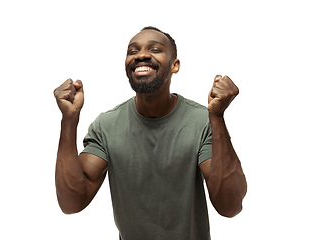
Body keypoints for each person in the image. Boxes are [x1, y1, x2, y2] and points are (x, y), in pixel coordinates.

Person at [53, 26, 247, 240]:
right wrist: (69, 121)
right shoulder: (106, 126)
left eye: (155, 49)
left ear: (175, 65)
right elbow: (71, 203)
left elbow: (230, 206)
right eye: (132, 51)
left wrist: (217, 118)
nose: (142, 55)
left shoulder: (202, 121)